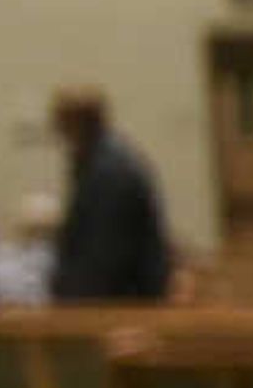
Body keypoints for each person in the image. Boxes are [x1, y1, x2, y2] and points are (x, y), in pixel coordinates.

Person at [45, 86, 172, 300]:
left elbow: (104, 250)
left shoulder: (109, 171)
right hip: (120, 287)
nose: (58, 132)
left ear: (76, 123)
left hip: (123, 297)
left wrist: (72, 299)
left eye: (60, 124)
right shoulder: (99, 159)